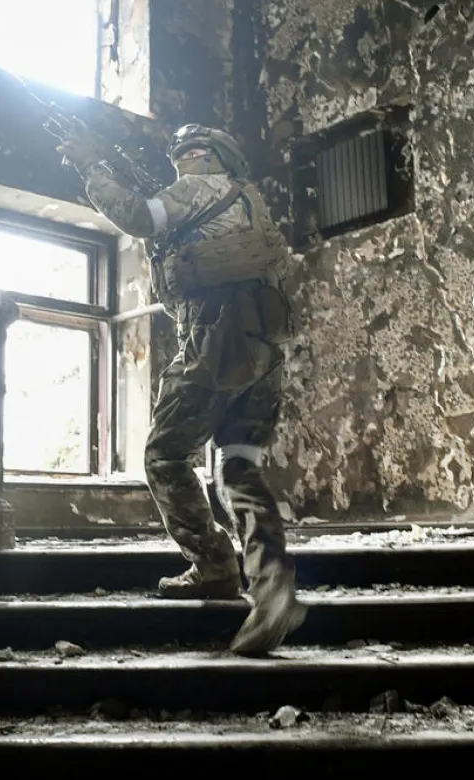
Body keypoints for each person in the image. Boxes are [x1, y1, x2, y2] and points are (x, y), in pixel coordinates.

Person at [57, 123, 305, 655]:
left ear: (221, 159)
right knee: (238, 465)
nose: (189, 157)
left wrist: (90, 166)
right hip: (262, 350)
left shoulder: (197, 190)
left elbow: (139, 217)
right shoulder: (251, 202)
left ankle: (214, 563)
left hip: (217, 344)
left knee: (164, 455)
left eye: (201, 150)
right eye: (183, 152)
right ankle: (272, 588)